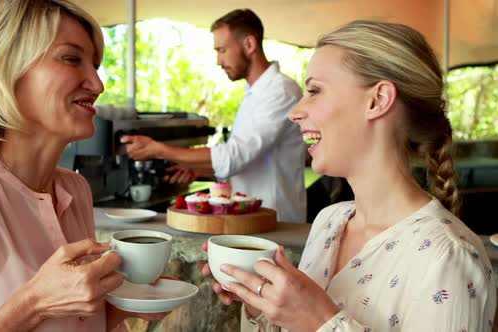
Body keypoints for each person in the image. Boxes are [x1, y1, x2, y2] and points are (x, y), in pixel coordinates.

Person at [203, 20, 497, 331]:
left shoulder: (450, 257)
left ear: (378, 100)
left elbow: (316, 324)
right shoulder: (329, 222)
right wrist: (262, 306)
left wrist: (319, 322)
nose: (295, 111)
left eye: (315, 90)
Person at [0, 1, 168, 331]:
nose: (97, 84)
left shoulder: (75, 190)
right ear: (6, 67)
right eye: (72, 59)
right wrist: (34, 303)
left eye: (96, 65)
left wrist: (124, 307)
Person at [121, 9, 307, 223]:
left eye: (223, 50)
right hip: (252, 219)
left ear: (249, 44)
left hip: (277, 220)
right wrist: (196, 167)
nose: (219, 61)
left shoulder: (280, 91)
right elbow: (246, 160)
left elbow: (234, 156)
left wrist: (158, 149)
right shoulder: (255, 93)